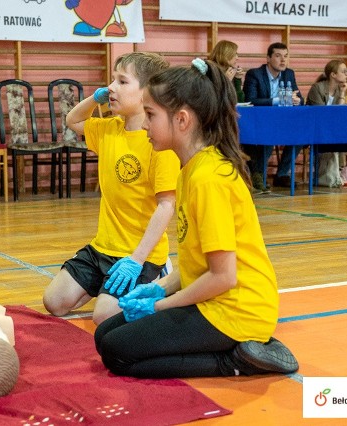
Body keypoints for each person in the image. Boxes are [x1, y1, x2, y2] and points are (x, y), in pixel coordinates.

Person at [94, 58, 299, 379]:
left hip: (235, 309)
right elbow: (196, 263)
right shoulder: (189, 169)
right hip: (212, 295)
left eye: (150, 115)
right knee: (105, 335)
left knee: (118, 353)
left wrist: (160, 306)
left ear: (182, 120)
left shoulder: (208, 178)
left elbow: (223, 277)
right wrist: (160, 288)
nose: (144, 125)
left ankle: (236, 359)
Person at [42, 52, 180, 325]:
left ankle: (161, 275)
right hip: (102, 248)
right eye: (112, 80)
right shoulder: (109, 129)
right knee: (54, 303)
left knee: (103, 316)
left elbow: (166, 206)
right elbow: (73, 121)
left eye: (122, 81)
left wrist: (137, 260)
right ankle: (106, 284)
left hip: (139, 254)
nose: (111, 88)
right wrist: (96, 98)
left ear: (147, 93)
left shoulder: (160, 144)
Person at [243, 42, 305, 190]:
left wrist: (297, 101)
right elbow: (250, 100)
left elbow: (300, 98)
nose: (283, 60)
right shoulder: (255, 74)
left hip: (282, 122)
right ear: (268, 58)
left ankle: (282, 174)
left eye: (285, 56)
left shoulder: (289, 74)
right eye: (278, 56)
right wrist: (278, 101)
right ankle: (259, 176)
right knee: (269, 136)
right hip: (260, 123)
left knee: (300, 135)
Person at [306, 60, 347, 187]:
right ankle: (341, 169)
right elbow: (322, 115)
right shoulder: (317, 88)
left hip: (330, 127)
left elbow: (339, 115)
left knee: (342, 133)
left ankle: (340, 169)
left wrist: (343, 93)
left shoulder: (338, 90)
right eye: (343, 71)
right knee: (337, 133)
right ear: (333, 75)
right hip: (315, 127)